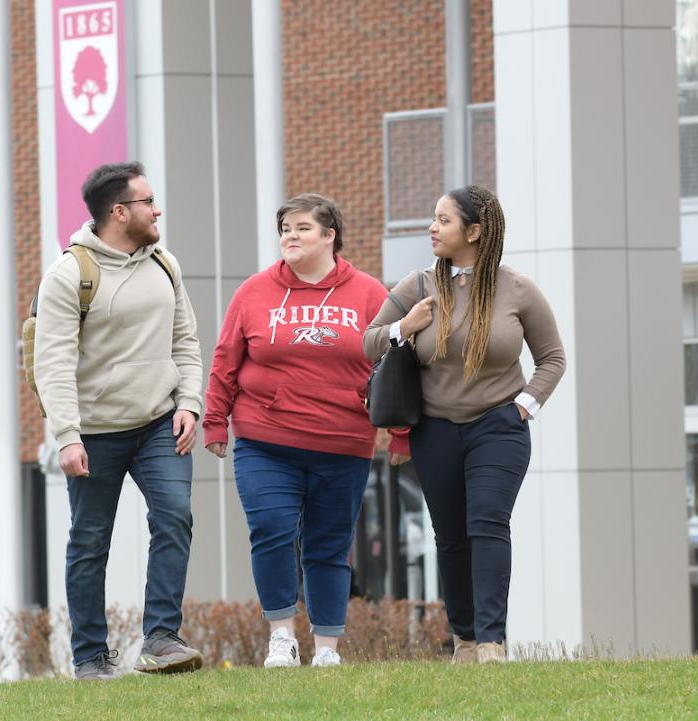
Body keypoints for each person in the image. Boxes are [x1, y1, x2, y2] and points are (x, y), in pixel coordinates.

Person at [363, 185, 565, 664]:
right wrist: (404, 327)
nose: (432, 228)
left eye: (443, 220)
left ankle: (492, 642)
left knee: (488, 523)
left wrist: (525, 405)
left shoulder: (517, 289)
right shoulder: (417, 286)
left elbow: (552, 358)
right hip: (435, 430)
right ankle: (466, 641)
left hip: (499, 426)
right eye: (433, 219)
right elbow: (369, 342)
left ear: (475, 231)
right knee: (450, 535)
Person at [33, 162, 204, 680]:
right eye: (148, 201)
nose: (158, 210)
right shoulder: (69, 275)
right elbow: (53, 362)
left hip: (158, 422)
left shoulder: (165, 265)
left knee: (174, 517)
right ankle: (90, 657)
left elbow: (186, 341)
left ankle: (161, 640)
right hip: (95, 431)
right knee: (90, 541)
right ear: (119, 212)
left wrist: (189, 403)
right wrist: (67, 436)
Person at [203, 193, 388, 668]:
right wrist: (215, 420)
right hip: (266, 440)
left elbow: (396, 368)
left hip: (342, 441)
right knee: (272, 530)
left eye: (303, 227)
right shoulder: (254, 292)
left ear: (330, 235)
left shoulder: (368, 294)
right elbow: (226, 360)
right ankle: (281, 635)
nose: (290, 235)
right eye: (285, 227)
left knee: (330, 545)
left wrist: (401, 432)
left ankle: (327, 648)